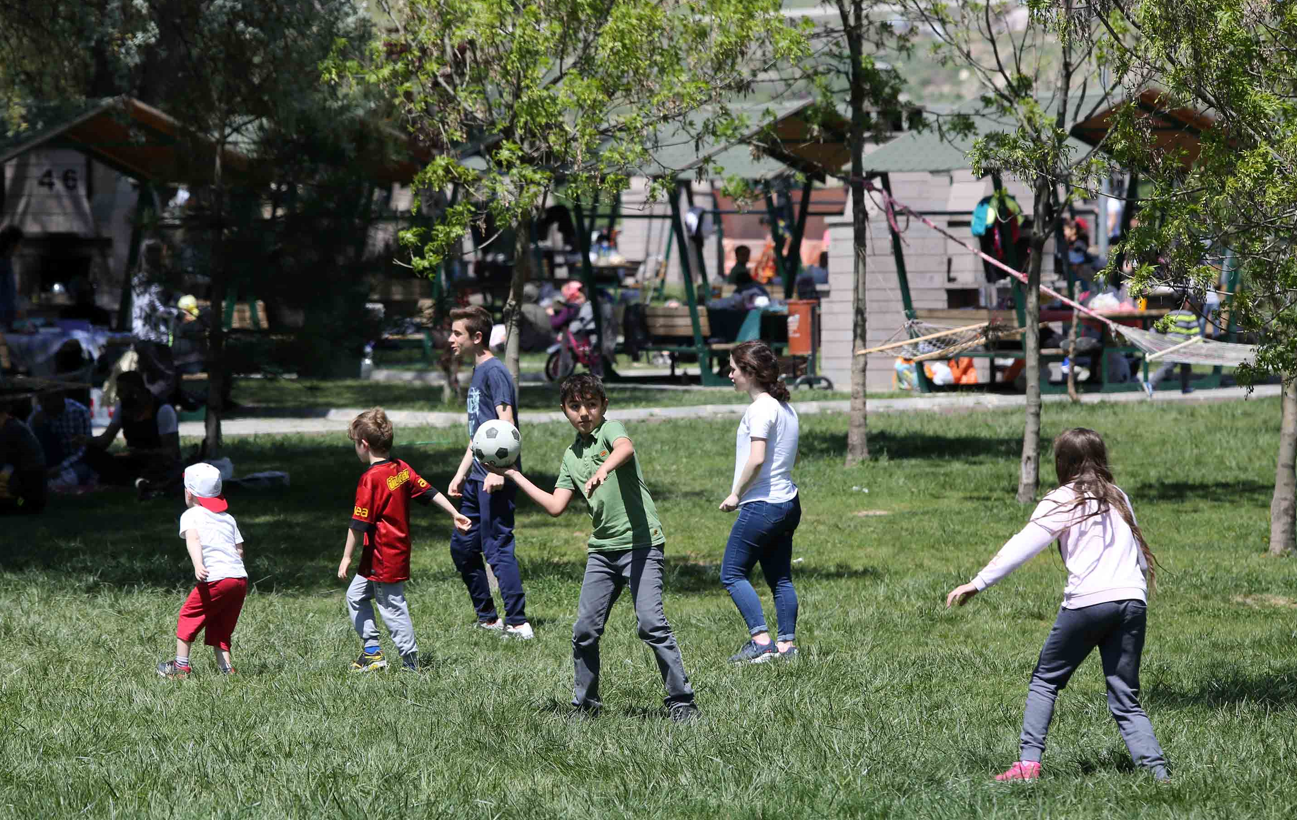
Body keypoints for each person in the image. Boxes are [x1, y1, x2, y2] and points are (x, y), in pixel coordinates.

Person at [945, 428, 1169, 783]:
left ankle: (1028, 766)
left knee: (1045, 680)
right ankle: (1158, 774)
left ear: (1063, 462)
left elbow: (1024, 544)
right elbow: (1140, 557)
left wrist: (978, 582)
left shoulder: (1061, 499)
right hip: (1132, 601)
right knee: (1126, 696)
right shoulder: (1118, 497)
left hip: (1088, 603)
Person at [490, 373, 699, 721]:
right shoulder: (571, 456)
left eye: (591, 404)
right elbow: (556, 506)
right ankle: (586, 706)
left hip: (641, 544)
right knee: (584, 631)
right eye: (575, 406)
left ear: (604, 406)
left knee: (651, 624)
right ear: (564, 410)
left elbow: (625, 448)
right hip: (602, 551)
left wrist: (603, 469)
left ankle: (682, 702)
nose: (583, 412)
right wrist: (514, 474)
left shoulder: (610, 431)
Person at [339, 407, 471, 673]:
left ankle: (412, 662)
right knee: (355, 595)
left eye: (355, 443)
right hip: (381, 555)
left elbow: (358, 525)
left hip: (383, 557)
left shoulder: (370, 479)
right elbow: (429, 491)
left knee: (391, 607)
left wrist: (346, 557)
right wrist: (454, 512)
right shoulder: (400, 468)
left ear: (364, 445)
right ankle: (373, 653)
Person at [446, 305, 533, 639]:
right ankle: (488, 619)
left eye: (457, 333)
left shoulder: (495, 373)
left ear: (476, 337)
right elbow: (482, 434)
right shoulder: (478, 371)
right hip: (475, 477)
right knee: (463, 548)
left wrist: (501, 470)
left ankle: (518, 623)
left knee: (497, 546)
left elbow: (505, 426)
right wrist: (460, 473)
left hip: (494, 478)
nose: (451, 339)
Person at [719, 341, 801, 663]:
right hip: (788, 503)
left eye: (734, 369)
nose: (730, 375)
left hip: (763, 505)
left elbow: (756, 459)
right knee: (780, 577)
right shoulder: (785, 407)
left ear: (750, 372)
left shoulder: (760, 409)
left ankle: (761, 642)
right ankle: (787, 646)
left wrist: (736, 493)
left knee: (731, 573)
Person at [157, 463, 247, 678]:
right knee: (221, 623)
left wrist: (198, 564)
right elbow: (239, 551)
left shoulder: (191, 515)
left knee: (188, 616)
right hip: (239, 578)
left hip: (215, 578)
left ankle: (180, 667)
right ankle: (226, 669)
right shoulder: (228, 518)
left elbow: (194, 538)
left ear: (189, 492)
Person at [81, 370, 182, 496]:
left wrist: (142, 453)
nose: (118, 394)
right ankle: (131, 481)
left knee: (158, 467)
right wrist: (86, 440)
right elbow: (105, 440)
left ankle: (135, 482)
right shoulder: (122, 408)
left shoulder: (163, 410)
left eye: (121, 390)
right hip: (133, 462)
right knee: (92, 453)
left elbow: (171, 452)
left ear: (135, 392)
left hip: (156, 463)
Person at [130, 240, 181, 401]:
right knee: (167, 379)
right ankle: (146, 404)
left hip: (147, 336)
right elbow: (152, 307)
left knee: (150, 379)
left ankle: (149, 415)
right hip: (151, 335)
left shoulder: (147, 279)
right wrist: (177, 313)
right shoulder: (148, 280)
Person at [27, 388, 93, 489]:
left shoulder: (79, 412)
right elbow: (27, 443)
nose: (44, 405)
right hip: (49, 461)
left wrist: (60, 467)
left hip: (74, 462)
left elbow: (84, 449)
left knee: (83, 471)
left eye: (48, 400)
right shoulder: (38, 412)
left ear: (61, 397)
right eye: (41, 401)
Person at [1142, 296, 1200, 397]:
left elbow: (1157, 328)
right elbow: (1195, 334)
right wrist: (1199, 345)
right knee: (1173, 368)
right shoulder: (1189, 316)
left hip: (1169, 347)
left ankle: (1185, 387)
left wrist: (1150, 336)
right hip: (1183, 348)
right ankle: (1150, 384)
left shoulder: (1169, 315)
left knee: (1178, 367)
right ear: (1186, 303)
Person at [0, 398, 47, 514]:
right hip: (29, 494)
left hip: (24, 500)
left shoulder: (10, 430)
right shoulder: (10, 425)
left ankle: (14, 504)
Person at [0, 225, 22, 330]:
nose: (20, 248)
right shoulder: (3, 263)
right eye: (19, 244)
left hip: (8, 317)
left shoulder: (7, 261)